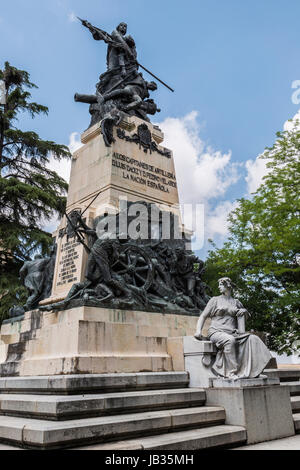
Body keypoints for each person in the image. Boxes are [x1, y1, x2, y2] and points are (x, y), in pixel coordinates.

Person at [194, 277, 272, 379]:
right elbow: (203, 316)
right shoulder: (215, 300)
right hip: (216, 332)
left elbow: (246, 317)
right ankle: (231, 372)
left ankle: (255, 371)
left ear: (228, 286)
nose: (219, 287)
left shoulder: (236, 302)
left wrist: (244, 311)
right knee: (229, 340)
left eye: (221, 285)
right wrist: (198, 331)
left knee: (254, 339)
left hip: (233, 332)